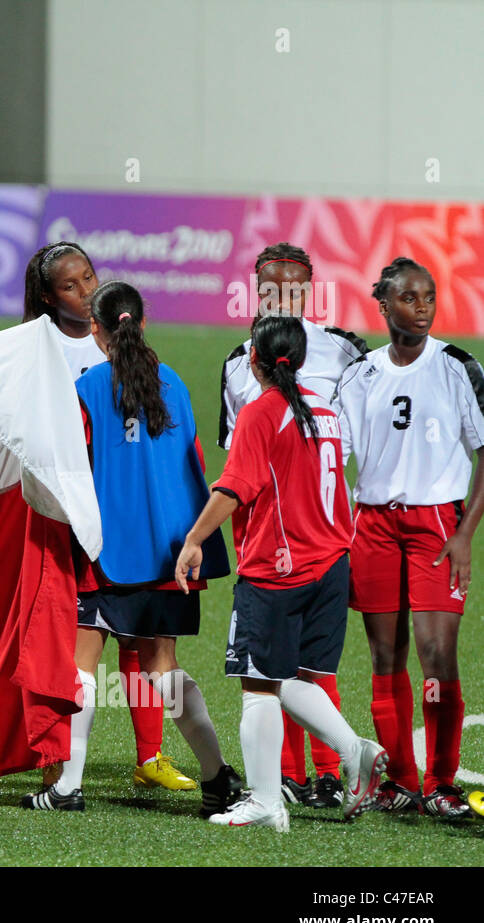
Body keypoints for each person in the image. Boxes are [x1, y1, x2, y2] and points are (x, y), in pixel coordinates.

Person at [21, 281, 241, 815]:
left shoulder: (88, 389)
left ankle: (68, 786)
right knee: (161, 668)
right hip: (171, 550)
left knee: (83, 664)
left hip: (107, 550)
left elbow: (70, 471)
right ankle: (217, 777)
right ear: (141, 325)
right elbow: (193, 465)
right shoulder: (176, 385)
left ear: (95, 330)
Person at [176, 312, 386, 831]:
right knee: (294, 678)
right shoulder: (326, 412)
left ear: (255, 360)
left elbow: (233, 487)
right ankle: (353, 750)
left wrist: (195, 539)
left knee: (258, 685)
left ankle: (267, 800)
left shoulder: (261, 412)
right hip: (333, 565)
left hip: (278, 571)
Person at [218, 242, 369, 809]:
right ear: (258, 287)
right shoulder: (238, 361)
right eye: (272, 283)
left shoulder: (346, 352)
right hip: (264, 526)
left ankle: (331, 771)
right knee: (273, 658)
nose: (283, 292)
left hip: (324, 523)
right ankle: (286, 773)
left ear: (309, 286)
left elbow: (363, 437)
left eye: (294, 283)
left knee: (307, 661)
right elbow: (237, 455)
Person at [333, 257, 482, 820]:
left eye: (429, 297)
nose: (422, 308)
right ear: (384, 303)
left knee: (437, 655)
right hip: (372, 524)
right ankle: (400, 780)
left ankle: (442, 784)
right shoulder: (360, 375)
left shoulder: (458, 367)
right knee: (385, 655)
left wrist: (465, 532)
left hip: (436, 524)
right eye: (409, 298)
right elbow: (336, 456)